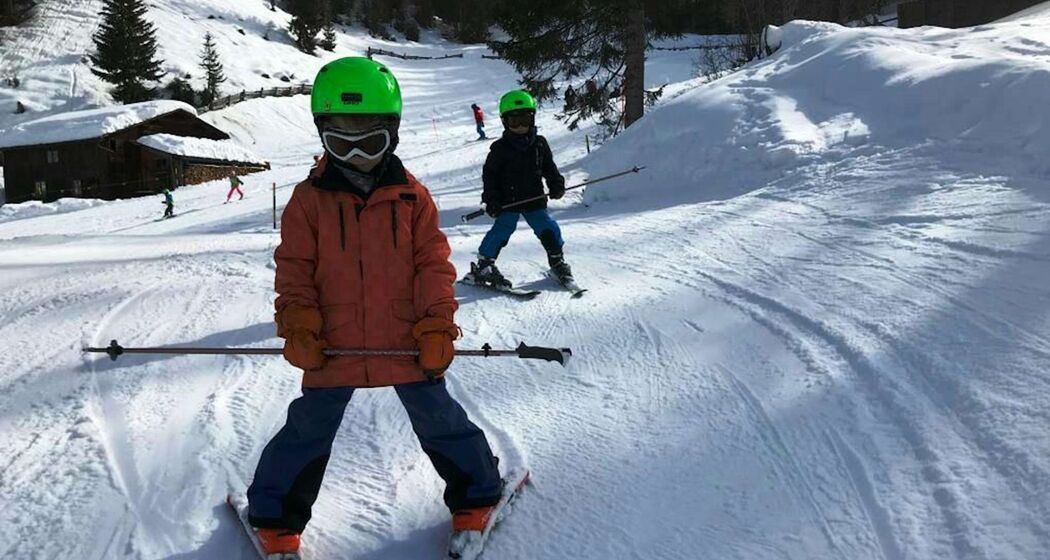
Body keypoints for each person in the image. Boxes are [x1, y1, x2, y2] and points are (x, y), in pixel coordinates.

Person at [245, 57, 504, 557]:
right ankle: (275, 517)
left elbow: (433, 266)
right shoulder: (308, 200)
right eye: (341, 142)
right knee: (308, 429)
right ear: (322, 135)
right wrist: (298, 324)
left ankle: (478, 494)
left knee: (439, 419)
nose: (358, 155)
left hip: (406, 342)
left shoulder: (413, 198)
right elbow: (294, 268)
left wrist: (437, 327)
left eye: (371, 141)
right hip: (333, 346)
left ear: (393, 133)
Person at [465, 90, 571, 288]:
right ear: (505, 122)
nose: (521, 126)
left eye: (525, 120)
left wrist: (556, 184)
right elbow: (490, 176)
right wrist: (492, 200)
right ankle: (484, 266)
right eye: (515, 121)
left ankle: (557, 261)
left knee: (548, 228)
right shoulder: (499, 148)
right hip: (508, 201)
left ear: (533, 118)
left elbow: (549, 167)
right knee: (502, 230)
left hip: (534, 198)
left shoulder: (540, 144)